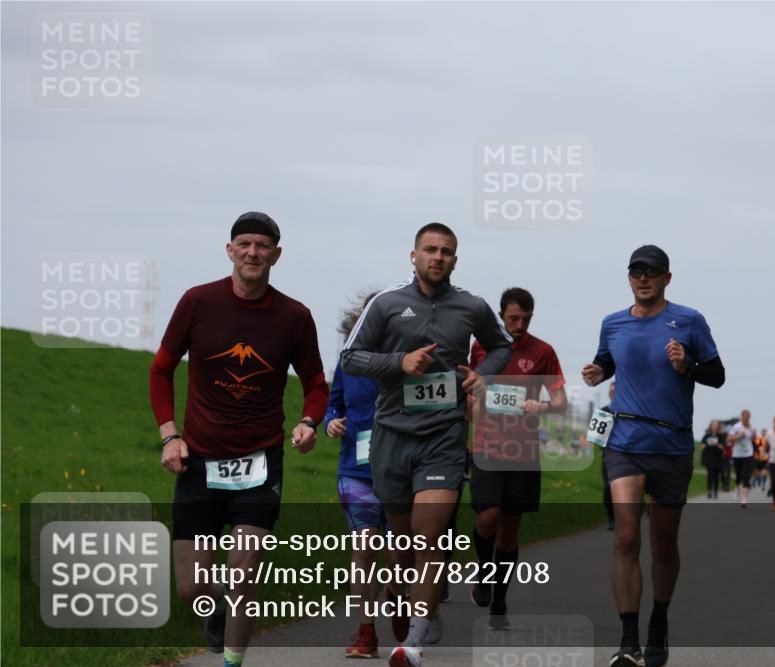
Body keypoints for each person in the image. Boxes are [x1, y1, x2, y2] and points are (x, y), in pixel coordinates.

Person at [150, 212, 328, 667]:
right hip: (199, 461)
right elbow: (161, 370)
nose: (253, 253)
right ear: (230, 249)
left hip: (260, 462)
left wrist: (308, 422)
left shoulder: (294, 316)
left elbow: (315, 383)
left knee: (244, 573)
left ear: (277, 255)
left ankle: (232, 661)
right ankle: (221, 613)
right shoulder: (197, 302)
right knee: (192, 588)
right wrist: (170, 436)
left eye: (263, 246)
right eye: (244, 244)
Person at [341, 222, 512, 667]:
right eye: (430, 250)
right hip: (393, 435)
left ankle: (413, 641)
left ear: (455, 259)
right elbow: (351, 358)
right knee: (401, 546)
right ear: (413, 256)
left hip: (444, 436)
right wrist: (400, 362)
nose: (438, 257)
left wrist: (483, 374)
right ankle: (410, 601)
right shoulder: (387, 303)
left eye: (447, 252)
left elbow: (502, 346)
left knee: (429, 536)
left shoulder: (471, 305)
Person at [581, 244, 725, 667]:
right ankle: (628, 640)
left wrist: (687, 368)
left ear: (666, 278)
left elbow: (717, 375)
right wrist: (596, 372)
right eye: (636, 272)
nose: (643, 278)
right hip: (625, 441)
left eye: (651, 272)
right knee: (626, 536)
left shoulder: (689, 321)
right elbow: (606, 362)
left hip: (672, 445)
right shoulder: (613, 323)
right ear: (629, 278)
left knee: (663, 544)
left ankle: (659, 618)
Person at [467, 287, 568, 630]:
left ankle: (499, 600)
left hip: (523, 452)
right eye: (513, 318)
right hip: (485, 446)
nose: (519, 324)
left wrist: (542, 405)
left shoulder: (543, 352)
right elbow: (467, 386)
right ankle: (483, 568)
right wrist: (473, 402)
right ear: (501, 316)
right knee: (487, 518)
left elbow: (561, 400)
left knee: (509, 533)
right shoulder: (481, 347)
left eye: (525, 319)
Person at [325, 292, 407, 658]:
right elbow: (334, 402)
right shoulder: (349, 361)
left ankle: (398, 594)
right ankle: (366, 631)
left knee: (399, 555)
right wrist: (331, 422)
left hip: (401, 469)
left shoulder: (410, 361)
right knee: (366, 545)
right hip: (355, 469)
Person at [726, 410, 755, 508]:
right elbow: (729, 439)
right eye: (744, 416)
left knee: (746, 476)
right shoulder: (736, 427)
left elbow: (754, 439)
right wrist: (738, 436)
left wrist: (754, 435)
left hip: (748, 454)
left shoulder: (751, 428)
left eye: (748, 416)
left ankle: (744, 499)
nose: (746, 418)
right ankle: (737, 488)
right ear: (741, 417)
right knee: (738, 476)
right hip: (737, 454)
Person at [602, 382, 617, 528]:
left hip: (628, 456)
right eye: (610, 391)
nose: (612, 393)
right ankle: (612, 519)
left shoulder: (631, 410)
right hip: (608, 457)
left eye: (615, 391)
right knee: (608, 489)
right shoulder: (603, 411)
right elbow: (596, 437)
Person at [700, 420, 725, 499]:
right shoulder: (707, 435)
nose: (714, 427)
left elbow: (723, 447)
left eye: (716, 426)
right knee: (710, 475)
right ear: (710, 426)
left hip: (717, 458)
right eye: (713, 425)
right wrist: (705, 445)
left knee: (716, 476)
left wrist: (717, 444)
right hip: (708, 457)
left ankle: (715, 491)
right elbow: (702, 444)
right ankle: (709, 491)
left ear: (718, 427)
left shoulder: (720, 436)